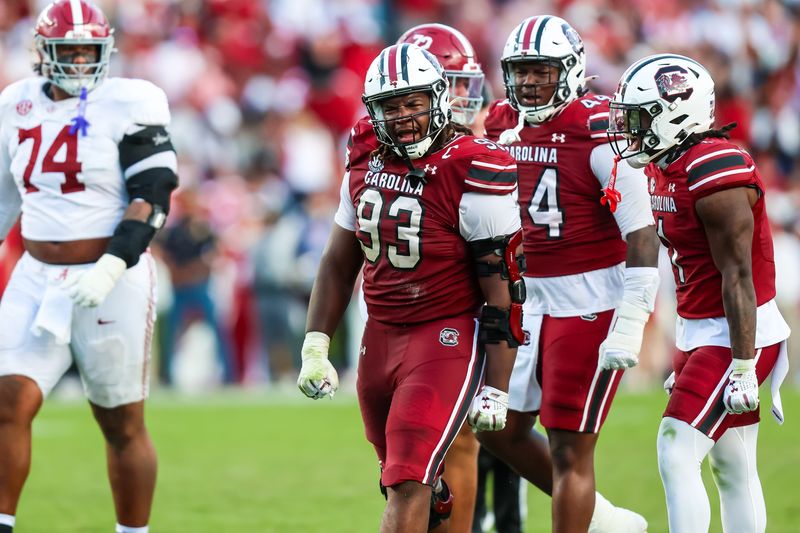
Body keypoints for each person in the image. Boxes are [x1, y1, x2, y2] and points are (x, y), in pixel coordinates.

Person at [297, 42, 523, 533]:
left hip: (443, 335)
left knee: (406, 483)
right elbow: (339, 261)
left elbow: (502, 287)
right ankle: (438, 499)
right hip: (378, 334)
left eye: (413, 103)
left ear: (437, 99)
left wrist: (497, 387)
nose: (403, 116)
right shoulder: (364, 159)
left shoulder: (472, 167)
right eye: (390, 106)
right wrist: (316, 345)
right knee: (403, 477)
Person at [0, 1, 177, 532]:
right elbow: (5, 198)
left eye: (88, 50)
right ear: (43, 51)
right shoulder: (15, 103)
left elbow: (154, 194)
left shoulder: (131, 100)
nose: (79, 60)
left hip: (112, 276)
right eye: (68, 49)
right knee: (8, 400)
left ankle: (132, 531)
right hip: (34, 273)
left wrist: (112, 263)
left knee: (121, 422)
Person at [480, 15, 659, 533]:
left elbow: (641, 233)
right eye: (521, 71)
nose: (530, 82)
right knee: (497, 428)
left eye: (542, 70)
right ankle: (606, 521)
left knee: (568, 446)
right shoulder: (501, 124)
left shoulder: (603, 129)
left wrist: (631, 318)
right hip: (524, 296)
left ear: (572, 69)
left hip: (590, 298)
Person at [608, 53, 791, 533]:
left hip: (736, 332)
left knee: (674, 448)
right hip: (703, 329)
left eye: (640, 117)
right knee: (732, 465)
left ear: (675, 112)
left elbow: (738, 275)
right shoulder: (666, 163)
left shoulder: (715, 166)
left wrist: (743, 365)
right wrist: (683, 348)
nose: (630, 128)